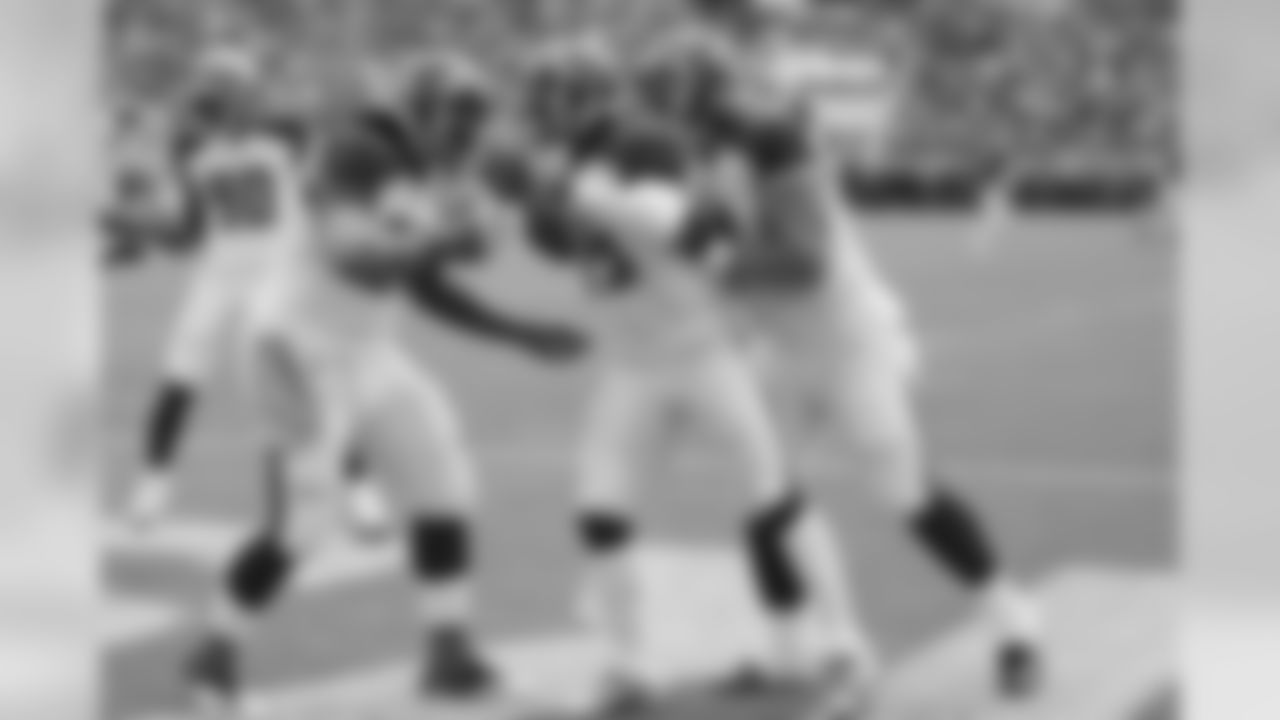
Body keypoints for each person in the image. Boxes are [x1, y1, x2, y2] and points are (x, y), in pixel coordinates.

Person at [182, 55, 583, 713]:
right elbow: (355, 257)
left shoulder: (426, 170)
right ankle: (213, 656)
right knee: (301, 525)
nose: (469, 134)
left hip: (365, 349)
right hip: (295, 347)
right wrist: (446, 240)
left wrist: (518, 332)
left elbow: (421, 285)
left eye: (477, 120)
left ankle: (448, 655)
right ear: (422, 107)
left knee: (444, 486)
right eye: (459, 117)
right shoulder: (358, 150)